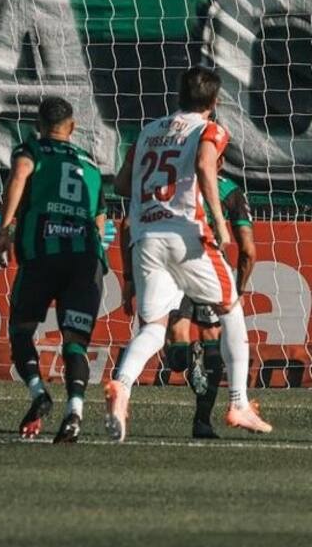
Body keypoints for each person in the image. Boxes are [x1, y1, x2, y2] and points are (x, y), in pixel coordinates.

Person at [106, 66, 271, 441]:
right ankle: (239, 402)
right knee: (231, 306)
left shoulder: (148, 131)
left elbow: (120, 182)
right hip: (185, 234)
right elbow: (202, 164)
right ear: (214, 102)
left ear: (178, 96)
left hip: (145, 237)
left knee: (152, 327)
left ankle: (122, 385)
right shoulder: (210, 129)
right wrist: (217, 216)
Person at [0, 96, 107, 444]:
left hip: (43, 253)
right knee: (75, 340)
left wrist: (6, 227)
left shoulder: (32, 150)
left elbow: (20, 174)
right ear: (72, 128)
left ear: (39, 125)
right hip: (84, 259)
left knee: (21, 331)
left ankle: (39, 393)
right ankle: (75, 411)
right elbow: (100, 219)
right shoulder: (90, 164)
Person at [120, 160, 257, 439]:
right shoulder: (230, 190)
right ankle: (202, 421)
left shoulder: (170, 186)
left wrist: (130, 278)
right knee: (213, 341)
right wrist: (238, 289)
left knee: (175, 340)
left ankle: (181, 361)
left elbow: (127, 223)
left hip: (171, 264)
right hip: (208, 268)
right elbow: (248, 249)